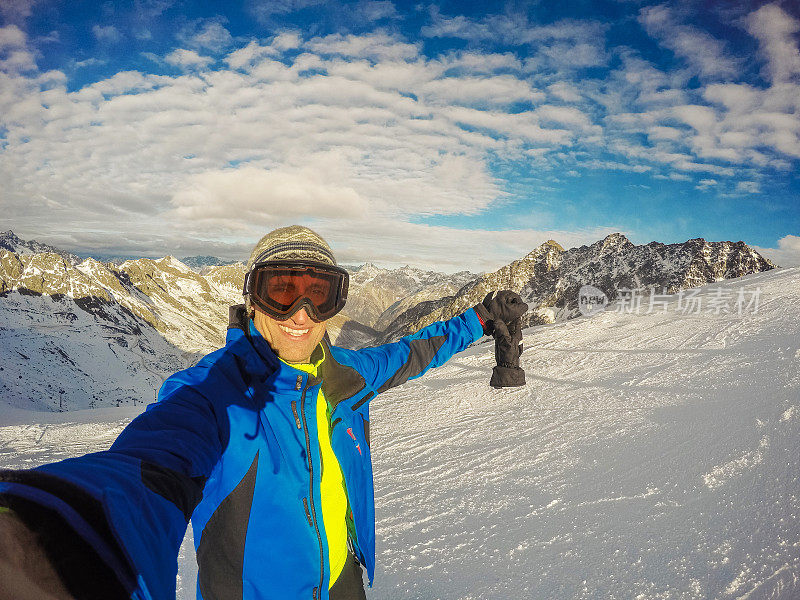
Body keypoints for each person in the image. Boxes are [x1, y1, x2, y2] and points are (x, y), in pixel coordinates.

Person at [0, 225, 527, 600]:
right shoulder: (215, 395)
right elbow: (148, 466)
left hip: (345, 582)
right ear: (253, 300)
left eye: (319, 294)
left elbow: (415, 349)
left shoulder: (346, 375)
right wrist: (57, 531)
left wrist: (482, 317)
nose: (301, 314)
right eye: (281, 290)